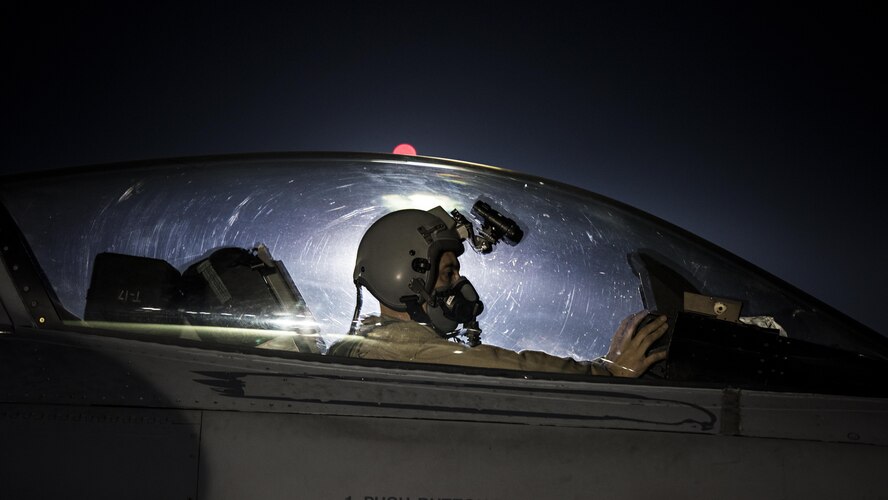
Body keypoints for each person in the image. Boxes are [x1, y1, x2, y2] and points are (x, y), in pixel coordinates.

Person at [328, 207, 668, 377]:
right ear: (405, 278)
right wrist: (608, 372)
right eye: (448, 273)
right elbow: (510, 367)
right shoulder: (409, 353)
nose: (460, 284)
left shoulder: (368, 346)